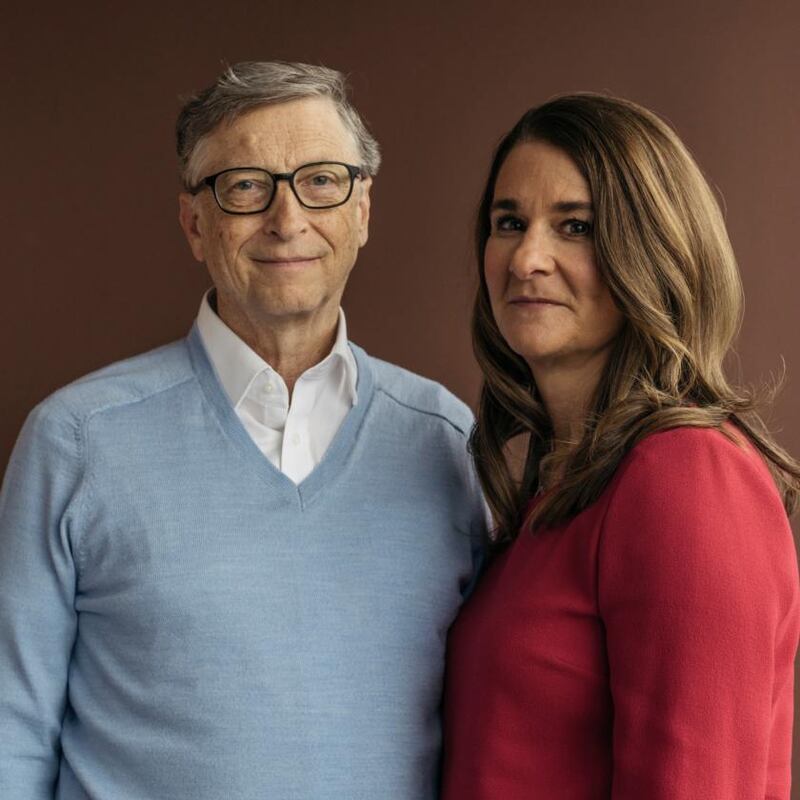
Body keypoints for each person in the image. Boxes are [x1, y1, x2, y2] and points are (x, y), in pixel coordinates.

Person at [0, 61, 486, 800]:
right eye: (247, 186)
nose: (287, 220)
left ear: (362, 212)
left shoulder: (447, 443)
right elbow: (10, 735)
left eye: (322, 181)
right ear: (196, 223)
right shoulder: (76, 443)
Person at [442, 93, 800, 799]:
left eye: (575, 227)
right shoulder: (557, 492)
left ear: (653, 250)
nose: (527, 258)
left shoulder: (686, 475)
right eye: (507, 222)